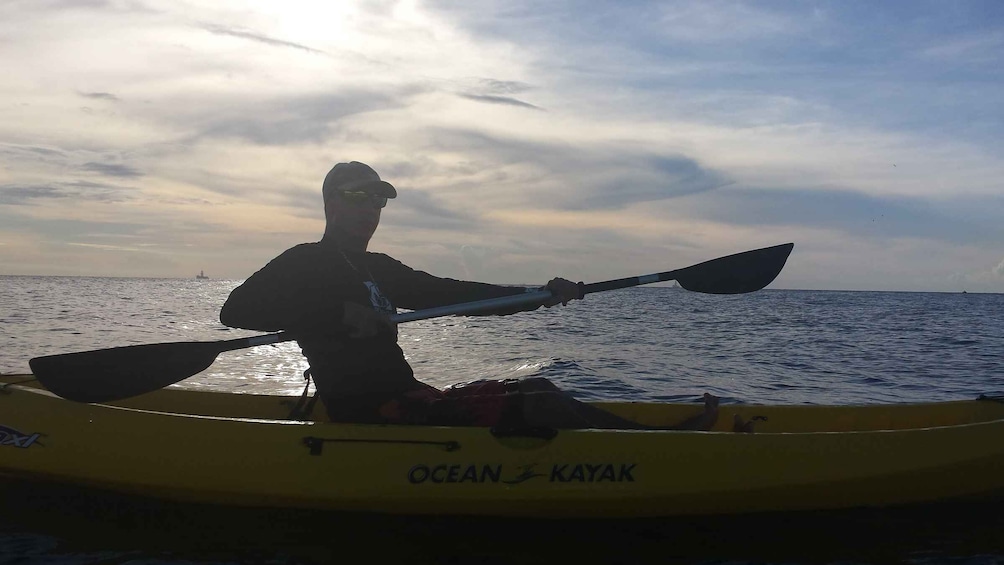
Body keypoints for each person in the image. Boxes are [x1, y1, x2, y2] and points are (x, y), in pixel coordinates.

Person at [220, 161, 720, 430]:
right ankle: (664, 449)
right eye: (357, 197)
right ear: (331, 203)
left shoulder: (378, 267)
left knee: (539, 392)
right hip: (371, 415)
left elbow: (458, 295)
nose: (370, 208)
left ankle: (656, 442)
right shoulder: (304, 260)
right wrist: (333, 312)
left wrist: (542, 294)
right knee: (541, 403)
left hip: (409, 399)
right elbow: (235, 310)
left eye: (377, 199)